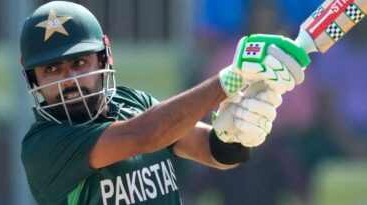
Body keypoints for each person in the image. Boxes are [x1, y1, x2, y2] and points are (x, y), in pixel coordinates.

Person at [19, 1, 310, 205]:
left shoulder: (133, 102)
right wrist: (229, 80)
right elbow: (144, 135)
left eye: (80, 62)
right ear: (32, 76)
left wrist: (233, 135)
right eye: (52, 70)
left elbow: (211, 151)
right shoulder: (44, 145)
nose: (68, 80)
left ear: (104, 56)